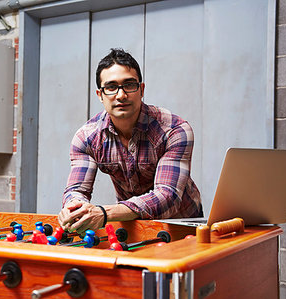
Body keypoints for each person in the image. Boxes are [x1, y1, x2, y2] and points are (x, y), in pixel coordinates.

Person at [58, 48, 202, 235]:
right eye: (111, 87)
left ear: (141, 90)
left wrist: (104, 212)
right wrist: (74, 206)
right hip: (133, 224)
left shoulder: (174, 129)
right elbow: (77, 189)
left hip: (181, 225)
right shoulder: (86, 138)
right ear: (100, 95)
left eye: (129, 85)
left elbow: (168, 196)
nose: (121, 95)